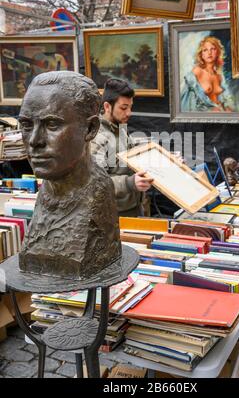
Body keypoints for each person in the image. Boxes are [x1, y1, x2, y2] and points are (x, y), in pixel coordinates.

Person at [18, 71, 121, 279]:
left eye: (52, 125)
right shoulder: (45, 192)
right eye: (27, 125)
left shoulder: (98, 196)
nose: (34, 140)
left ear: (90, 129)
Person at [91, 78, 153, 217]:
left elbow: (135, 154)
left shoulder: (121, 129)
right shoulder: (96, 138)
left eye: (130, 107)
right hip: (114, 215)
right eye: (124, 108)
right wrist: (129, 182)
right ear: (107, 106)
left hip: (134, 207)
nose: (129, 113)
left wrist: (170, 160)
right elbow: (95, 183)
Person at [181, 36, 233, 112]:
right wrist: (210, 111)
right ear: (201, 54)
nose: (209, 53)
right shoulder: (197, 72)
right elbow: (186, 104)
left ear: (218, 52)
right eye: (205, 50)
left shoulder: (219, 76)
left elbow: (225, 102)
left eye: (213, 49)